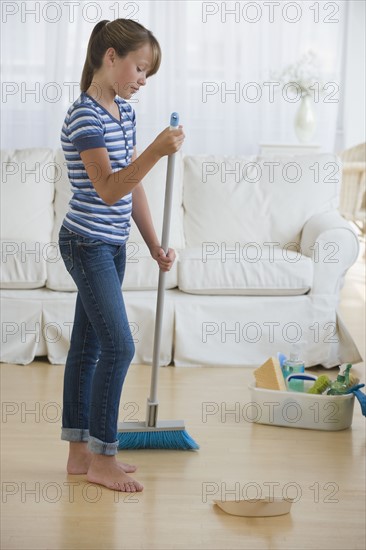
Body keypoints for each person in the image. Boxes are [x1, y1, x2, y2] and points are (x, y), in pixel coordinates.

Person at [58, 18, 185, 493]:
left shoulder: (125, 112)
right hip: (85, 244)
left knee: (89, 348)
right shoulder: (84, 116)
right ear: (110, 56)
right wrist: (156, 149)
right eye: (139, 67)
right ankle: (102, 457)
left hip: (112, 246)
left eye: (149, 72)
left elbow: (132, 189)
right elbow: (109, 190)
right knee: (119, 346)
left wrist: (153, 245)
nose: (143, 79)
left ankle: (78, 455)